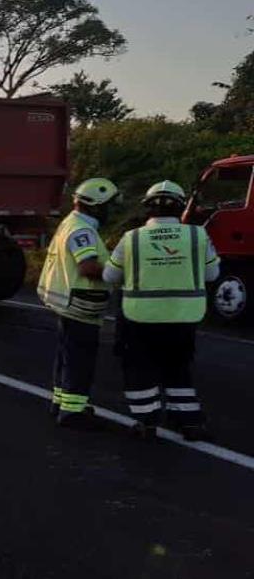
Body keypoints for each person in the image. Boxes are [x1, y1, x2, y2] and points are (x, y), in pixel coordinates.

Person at [103, 180, 220, 441]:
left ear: (147, 209)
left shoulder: (131, 238)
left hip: (140, 317)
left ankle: (146, 421)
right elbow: (212, 274)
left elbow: (110, 275)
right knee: (178, 366)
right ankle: (189, 421)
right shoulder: (197, 235)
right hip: (184, 315)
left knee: (139, 367)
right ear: (180, 208)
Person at [37, 178, 119, 428]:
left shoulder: (70, 223)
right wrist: (119, 271)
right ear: (95, 206)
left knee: (67, 355)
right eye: (108, 206)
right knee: (80, 359)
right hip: (81, 306)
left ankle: (60, 402)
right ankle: (73, 412)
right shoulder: (83, 230)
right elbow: (88, 267)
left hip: (69, 304)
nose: (110, 212)